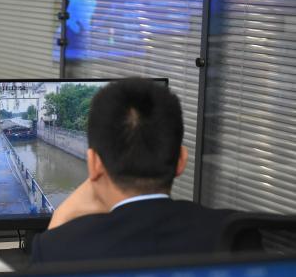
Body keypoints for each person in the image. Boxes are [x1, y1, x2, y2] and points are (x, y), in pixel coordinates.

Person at [30, 78, 249, 264]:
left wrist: (60, 218)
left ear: (94, 164)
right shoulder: (236, 234)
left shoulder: (57, 249)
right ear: (181, 160)